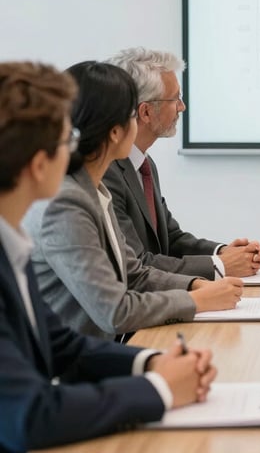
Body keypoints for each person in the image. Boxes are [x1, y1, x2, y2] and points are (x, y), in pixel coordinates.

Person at [0, 61, 218, 451]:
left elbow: (61, 345)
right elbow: (28, 416)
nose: (76, 147)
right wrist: (159, 389)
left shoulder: (11, 244)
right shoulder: (61, 205)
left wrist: (152, 362)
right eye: (68, 138)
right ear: (37, 165)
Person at [24, 61, 243, 340]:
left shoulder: (94, 189)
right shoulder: (65, 204)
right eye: (131, 115)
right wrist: (198, 300)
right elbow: (115, 311)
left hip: (104, 350)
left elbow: (134, 275)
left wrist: (196, 285)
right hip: (76, 363)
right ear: (115, 132)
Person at [103, 47, 260, 279]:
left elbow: (172, 239)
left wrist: (224, 252)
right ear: (146, 112)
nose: (182, 107)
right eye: (175, 98)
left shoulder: (144, 164)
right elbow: (138, 262)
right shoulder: (107, 173)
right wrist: (220, 265)